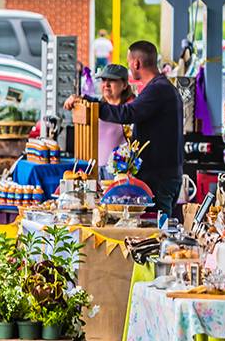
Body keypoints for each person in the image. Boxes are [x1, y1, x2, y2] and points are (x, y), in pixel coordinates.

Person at [64, 40, 184, 217]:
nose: (130, 67)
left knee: (157, 231)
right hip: (163, 175)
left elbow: (128, 113)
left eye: (129, 63)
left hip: (159, 178)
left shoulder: (158, 89)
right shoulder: (162, 88)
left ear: (136, 63)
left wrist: (92, 105)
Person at [93, 63, 135, 172]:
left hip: (120, 172)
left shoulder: (131, 109)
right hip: (94, 169)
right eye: (103, 80)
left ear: (125, 85)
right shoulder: (95, 107)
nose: (106, 84)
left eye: (112, 80)